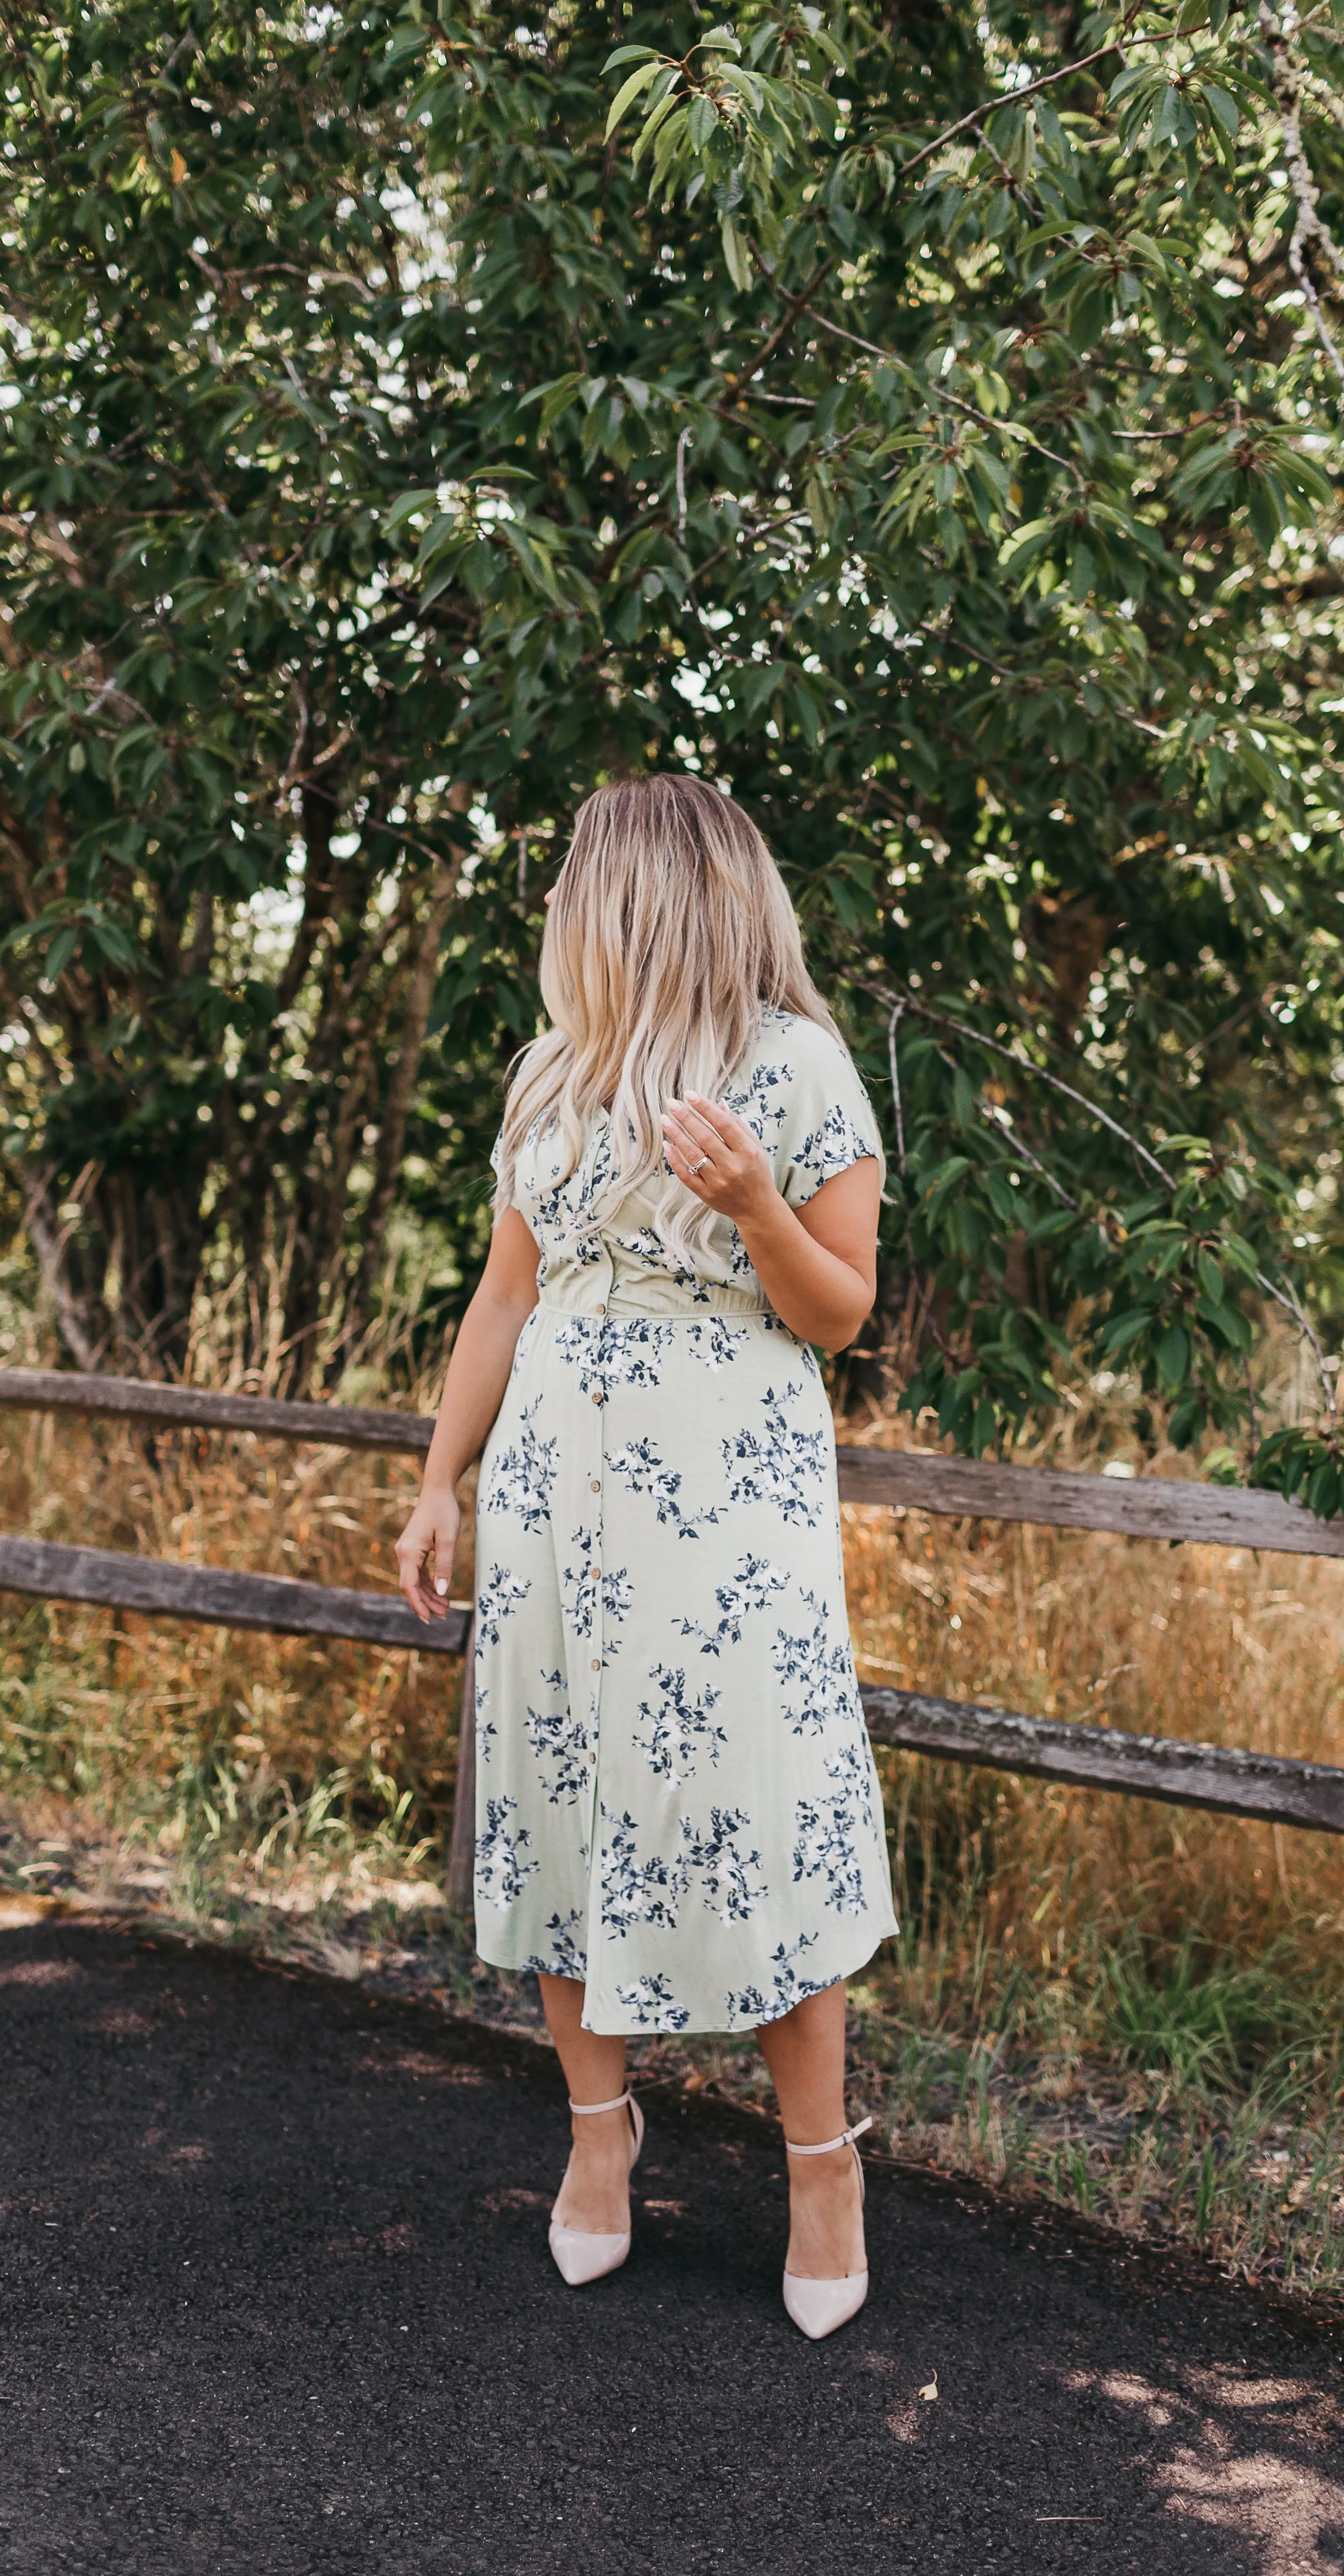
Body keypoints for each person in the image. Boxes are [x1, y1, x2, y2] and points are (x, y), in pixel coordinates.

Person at [396, 775, 897, 2338]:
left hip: (728, 1512)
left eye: (576, 884)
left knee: (751, 1801)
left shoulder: (798, 1066)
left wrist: (754, 1200)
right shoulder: (554, 1077)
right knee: (555, 1794)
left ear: (647, 898)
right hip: (557, 1508)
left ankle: (824, 2168)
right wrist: (439, 1480)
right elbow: (502, 1297)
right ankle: (597, 2138)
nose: (558, 907)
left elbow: (840, 1311)